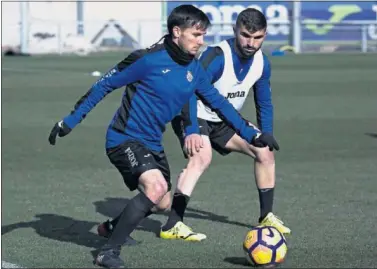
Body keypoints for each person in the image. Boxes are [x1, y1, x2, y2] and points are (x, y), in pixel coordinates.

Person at [48, 5, 278, 269]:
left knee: (162, 202)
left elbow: (219, 104)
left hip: (152, 144)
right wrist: (70, 121)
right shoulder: (147, 59)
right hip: (124, 139)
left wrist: (253, 134)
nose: (201, 41)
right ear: (176, 32)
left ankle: (112, 227)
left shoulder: (194, 69)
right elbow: (104, 85)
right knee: (155, 188)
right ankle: (107, 253)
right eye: (196, 35)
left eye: (203, 35)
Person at [159, 8, 291, 241]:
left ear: (265, 35)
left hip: (224, 119)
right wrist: (190, 129)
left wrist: (267, 133)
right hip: (193, 114)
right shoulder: (217, 57)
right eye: (245, 35)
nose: (251, 43)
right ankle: (173, 224)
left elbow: (264, 101)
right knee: (202, 157)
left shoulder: (262, 63)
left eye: (257, 37)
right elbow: (188, 90)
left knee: (264, 151)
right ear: (235, 31)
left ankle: (266, 216)